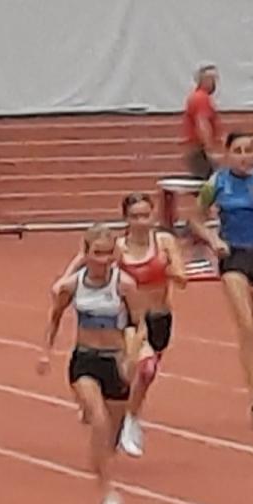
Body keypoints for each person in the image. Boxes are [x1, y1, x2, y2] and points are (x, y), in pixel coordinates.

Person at [37, 226, 154, 504]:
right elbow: (55, 318)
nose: (102, 260)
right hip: (85, 360)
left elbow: (140, 325)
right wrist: (45, 353)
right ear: (85, 253)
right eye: (97, 253)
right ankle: (108, 493)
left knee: (107, 441)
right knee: (99, 420)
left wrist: (132, 357)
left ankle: (102, 470)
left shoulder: (124, 285)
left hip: (115, 363)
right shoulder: (73, 285)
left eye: (107, 253)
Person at [60, 193, 188, 457]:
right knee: (144, 369)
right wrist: (64, 280)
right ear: (126, 219)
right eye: (135, 216)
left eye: (145, 215)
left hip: (159, 317)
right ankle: (129, 420)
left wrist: (169, 270)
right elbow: (85, 260)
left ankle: (116, 413)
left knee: (144, 374)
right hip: (129, 320)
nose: (141, 222)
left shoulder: (163, 242)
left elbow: (182, 278)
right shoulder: (118, 248)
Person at [193, 132, 253, 430]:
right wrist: (213, 239)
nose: (244, 157)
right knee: (245, 326)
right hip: (233, 257)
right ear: (227, 154)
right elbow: (195, 219)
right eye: (238, 151)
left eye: (248, 150)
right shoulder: (217, 183)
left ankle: (251, 376)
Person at [180, 65, 223, 181]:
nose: (215, 84)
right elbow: (202, 123)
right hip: (199, 151)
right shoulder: (201, 99)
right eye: (213, 79)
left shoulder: (196, 97)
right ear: (206, 80)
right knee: (209, 183)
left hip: (197, 150)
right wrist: (209, 149)